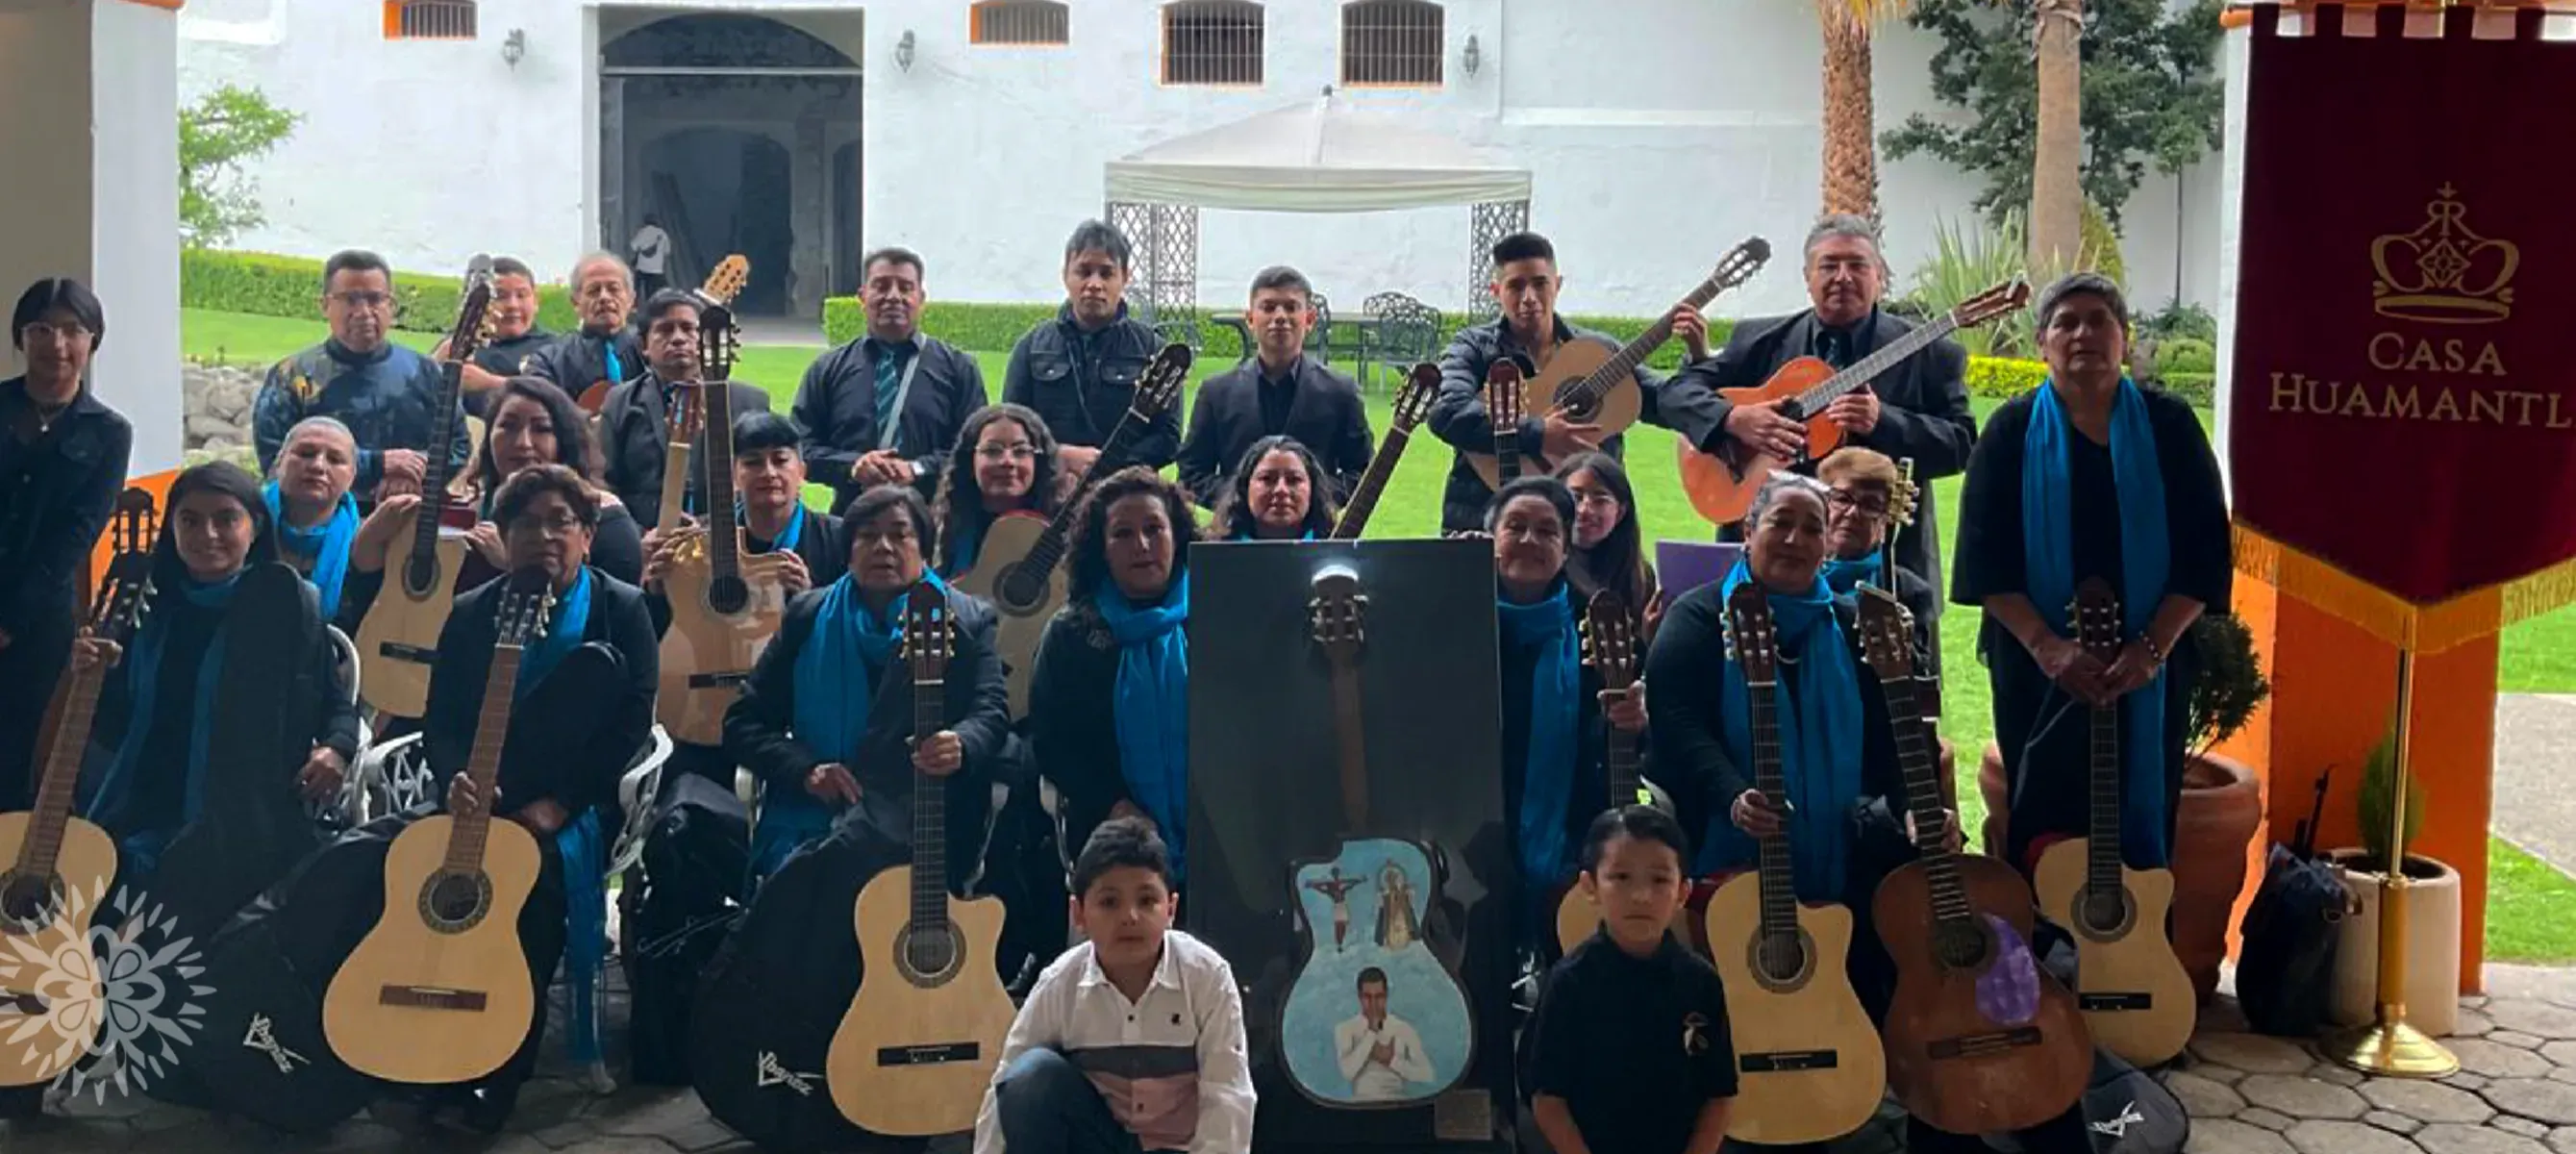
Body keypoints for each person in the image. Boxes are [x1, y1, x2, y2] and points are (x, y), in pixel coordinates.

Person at [1650, 471, 2011, 1154]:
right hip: (1724, 847)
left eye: (1810, 527)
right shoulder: (1697, 618)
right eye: (1779, 522)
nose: (1793, 539)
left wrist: (1915, 811)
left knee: (1915, 918)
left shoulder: (1852, 626)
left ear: (1827, 547)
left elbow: (1891, 741)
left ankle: (1925, 1096)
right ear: (1746, 530)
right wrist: (1731, 791)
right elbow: (1674, 723)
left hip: (1839, 847)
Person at [1951, 272, 2231, 879]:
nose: (2083, 334)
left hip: (2148, 668)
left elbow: (2204, 553)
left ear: (2125, 340)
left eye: (2099, 320)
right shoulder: (2009, 431)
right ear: (2041, 344)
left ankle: (2132, 954)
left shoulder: (2170, 427)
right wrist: (2050, 650)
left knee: (2137, 810)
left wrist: (2150, 649)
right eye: (2065, 322)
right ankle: (2051, 958)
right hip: (2037, 669)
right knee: (2044, 820)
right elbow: (1984, 560)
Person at [418, 463, 659, 1129]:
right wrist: (454, 781)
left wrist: (561, 804)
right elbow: (440, 721)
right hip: (477, 797)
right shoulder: (471, 613)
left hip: (575, 803)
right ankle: (413, 1040)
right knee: (405, 878)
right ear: (503, 535)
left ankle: (493, 1076)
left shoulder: (622, 608)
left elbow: (631, 723)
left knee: (526, 900)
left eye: (562, 523)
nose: (545, 536)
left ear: (587, 535)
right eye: (527, 523)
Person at [1676, 214, 1978, 664]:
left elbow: (1962, 444)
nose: (1843, 277)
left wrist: (1885, 422)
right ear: (1806, 277)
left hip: (1885, 571)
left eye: (1857, 265)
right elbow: (1678, 394)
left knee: (1897, 712)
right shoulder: (1759, 340)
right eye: (1828, 265)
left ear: (1880, 275)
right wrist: (1736, 419)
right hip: (1770, 562)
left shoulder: (1930, 353)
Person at [70, 462, 356, 899]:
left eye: (226, 519)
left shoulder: (286, 605)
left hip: (242, 816)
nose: (207, 535)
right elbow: (113, 725)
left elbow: (335, 706)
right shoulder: (147, 604)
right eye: (190, 520)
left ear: (256, 528)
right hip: (142, 799)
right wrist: (91, 676)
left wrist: (336, 750)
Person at [722, 484, 1012, 880]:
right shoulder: (808, 615)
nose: (884, 547)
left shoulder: (967, 620)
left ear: (925, 548)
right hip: (818, 814)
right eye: (868, 535)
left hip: (924, 818)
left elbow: (991, 712)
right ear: (848, 550)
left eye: (899, 534)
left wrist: (961, 743)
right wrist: (807, 771)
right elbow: (744, 722)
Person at [974, 815, 1255, 1154]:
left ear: (1171, 909)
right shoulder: (1060, 983)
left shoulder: (1207, 977)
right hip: (1100, 1143)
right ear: (1078, 914)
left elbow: (1228, 1095)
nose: (1130, 917)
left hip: (1179, 1148)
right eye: (1109, 902)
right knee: (1029, 1077)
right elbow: (1005, 1086)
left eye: (1147, 900)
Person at [1427, 231, 1726, 534]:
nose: (1529, 298)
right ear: (1496, 291)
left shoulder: (1597, 352)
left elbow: (1666, 401)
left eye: (1540, 283)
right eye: (1515, 286)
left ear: (1557, 284)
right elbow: (1446, 412)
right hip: (1487, 516)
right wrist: (1538, 433)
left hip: (1586, 528)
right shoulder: (1474, 348)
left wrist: (1699, 359)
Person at [1487, 476, 1649, 953]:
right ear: (1491, 538)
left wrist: (1634, 721)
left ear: (1565, 547)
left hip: (1569, 826)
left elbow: (1617, 743)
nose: (1529, 541)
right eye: (1515, 527)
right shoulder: (1455, 615)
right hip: (1474, 822)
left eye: (1546, 531)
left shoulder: (1600, 623)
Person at [643, 412, 848, 787]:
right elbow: (664, 628)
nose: (768, 472)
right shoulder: (695, 545)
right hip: (702, 705)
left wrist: (810, 599)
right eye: (753, 462)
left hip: (797, 706)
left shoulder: (838, 539)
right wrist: (656, 589)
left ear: (801, 470)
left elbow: (851, 630)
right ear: (733, 476)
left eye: (780, 460)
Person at [1524, 805, 1736, 1154]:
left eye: (1659, 880)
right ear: (1590, 886)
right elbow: (1548, 1097)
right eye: (1621, 877)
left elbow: (1719, 1093)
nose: (1641, 896)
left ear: (1683, 892)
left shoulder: (1701, 982)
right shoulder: (1569, 982)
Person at [0, 276, 132, 815]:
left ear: (92, 340)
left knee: (16, 753)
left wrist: (9, 621)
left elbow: (76, 535)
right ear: (21, 337)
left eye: (73, 330)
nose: (57, 345)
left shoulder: (108, 433)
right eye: (41, 329)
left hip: (37, 624)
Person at [1026, 467, 1197, 882]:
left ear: (1177, 537)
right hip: (1111, 827)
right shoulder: (1072, 634)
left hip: (1220, 822)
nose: (1142, 545)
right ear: (1100, 549)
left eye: (1155, 529)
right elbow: (1053, 743)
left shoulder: (1219, 616)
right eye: (1122, 534)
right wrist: (1116, 809)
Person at [252, 249, 468, 505]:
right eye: (350, 300)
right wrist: (375, 465)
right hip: (320, 523)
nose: (364, 311)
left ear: (392, 306)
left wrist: (413, 470)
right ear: (325, 305)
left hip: (410, 516)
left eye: (375, 299)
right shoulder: (292, 376)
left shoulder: (426, 372)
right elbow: (275, 459)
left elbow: (459, 447)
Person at [793, 246, 988, 512]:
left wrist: (917, 469)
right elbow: (800, 447)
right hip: (851, 521)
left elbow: (975, 449)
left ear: (921, 298)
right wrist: (853, 466)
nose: (893, 296)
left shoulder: (958, 369)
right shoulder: (828, 369)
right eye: (881, 286)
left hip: (935, 520)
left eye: (905, 287)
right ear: (862, 297)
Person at [1175, 265, 1372, 508]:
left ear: (1309, 319)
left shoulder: (1340, 392)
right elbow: (1191, 474)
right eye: (1268, 308)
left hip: (1315, 539)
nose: (1280, 316)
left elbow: (1363, 473)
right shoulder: (1216, 393)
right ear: (1250, 319)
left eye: (1291, 307)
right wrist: (1247, 497)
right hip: (1237, 537)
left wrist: (1306, 496)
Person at [1002, 220, 1179, 476]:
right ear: (1065, 275)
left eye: (1106, 273)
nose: (1094, 284)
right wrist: (1059, 455)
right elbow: (1011, 428)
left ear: (1125, 278)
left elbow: (1168, 438)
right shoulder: (1031, 348)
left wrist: (1108, 467)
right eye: (1084, 272)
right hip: (1049, 493)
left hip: (1125, 496)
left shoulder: (1154, 351)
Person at [598, 288, 771, 530]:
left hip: (729, 538)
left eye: (689, 329)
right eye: (665, 330)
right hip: (646, 542)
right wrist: (637, 536)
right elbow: (602, 482)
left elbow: (766, 479)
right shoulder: (620, 402)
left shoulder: (750, 402)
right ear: (643, 346)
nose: (679, 338)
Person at [1816, 446, 1938, 660]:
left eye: (1870, 505)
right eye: (1843, 499)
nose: (1853, 513)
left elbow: (1922, 680)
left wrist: (1904, 649)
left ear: (1886, 519)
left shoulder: (1907, 589)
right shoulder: (1792, 575)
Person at [933, 402, 1064, 579]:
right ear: (970, 461)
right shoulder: (941, 528)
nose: (1008, 462)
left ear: (1038, 462)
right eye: (992, 451)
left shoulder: (1065, 527)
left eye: (1021, 451)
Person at [263, 416, 364, 629]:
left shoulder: (365, 543)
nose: (318, 466)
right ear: (279, 462)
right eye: (306, 453)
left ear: (352, 475)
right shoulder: (242, 524)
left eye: (335, 459)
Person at [1554, 452, 1663, 639]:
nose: (1584, 510)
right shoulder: (1545, 569)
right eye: (1575, 497)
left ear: (1620, 513)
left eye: (1600, 500)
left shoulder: (1640, 577)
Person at [434, 256, 555, 418]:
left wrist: (490, 382)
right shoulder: (459, 346)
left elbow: (557, 397)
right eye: (500, 296)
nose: (512, 305)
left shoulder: (553, 349)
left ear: (536, 300)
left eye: (521, 295)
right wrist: (434, 363)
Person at [524, 253, 645, 408]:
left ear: (631, 300)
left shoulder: (649, 349)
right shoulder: (549, 361)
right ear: (575, 302)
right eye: (593, 291)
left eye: (613, 289)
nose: (604, 297)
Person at [1210, 435, 1336, 541]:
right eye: (1267, 479)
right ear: (1245, 487)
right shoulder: (1213, 556)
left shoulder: (1336, 547)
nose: (1281, 490)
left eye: (1294, 480)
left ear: (1312, 488)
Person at [1336, 966, 1435, 1101]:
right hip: (1360, 1103)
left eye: (1379, 997)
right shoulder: (1345, 1029)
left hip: (1398, 1101)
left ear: (1386, 995)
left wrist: (1391, 1060)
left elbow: (1427, 1075)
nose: (1373, 1004)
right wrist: (1371, 1034)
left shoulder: (1403, 1029)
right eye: (1367, 997)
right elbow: (1347, 1073)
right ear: (1359, 997)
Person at [630, 215, 673, 299]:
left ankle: (635, 304)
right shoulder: (662, 234)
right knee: (653, 291)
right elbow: (667, 251)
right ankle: (652, 305)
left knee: (636, 285)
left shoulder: (642, 232)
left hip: (642, 267)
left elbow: (633, 246)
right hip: (657, 270)